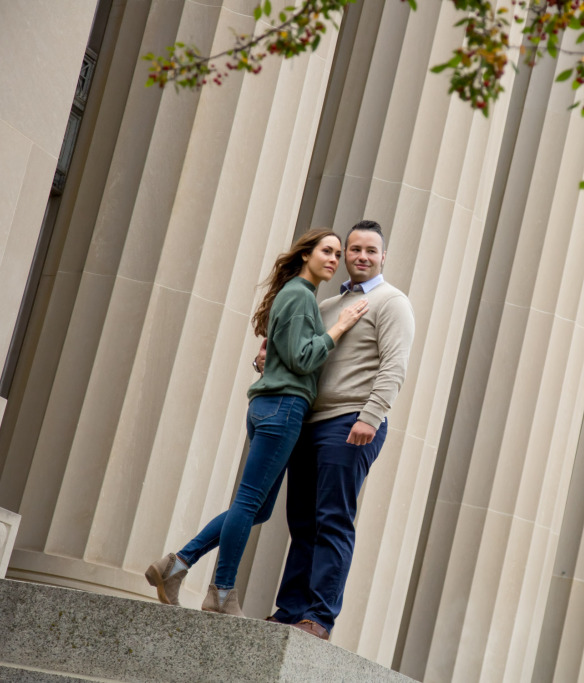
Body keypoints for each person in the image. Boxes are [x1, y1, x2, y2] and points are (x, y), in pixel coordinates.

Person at [144, 228, 368, 616]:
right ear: (305, 256)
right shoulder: (300, 296)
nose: (333, 259)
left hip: (271, 405)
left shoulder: (298, 296)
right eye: (326, 251)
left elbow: (280, 354)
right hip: (283, 408)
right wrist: (339, 327)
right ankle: (222, 592)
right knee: (249, 502)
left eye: (336, 254)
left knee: (257, 507)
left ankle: (177, 565)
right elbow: (301, 359)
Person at [266, 219, 415, 639]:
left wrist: (371, 415)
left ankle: (318, 616)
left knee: (333, 520)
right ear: (344, 255)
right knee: (301, 521)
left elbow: (394, 365)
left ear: (383, 256)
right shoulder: (329, 305)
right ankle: (290, 609)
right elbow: (305, 353)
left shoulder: (392, 302)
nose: (361, 257)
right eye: (354, 250)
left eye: (371, 250)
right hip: (310, 422)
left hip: (351, 422)